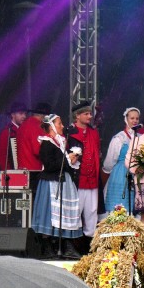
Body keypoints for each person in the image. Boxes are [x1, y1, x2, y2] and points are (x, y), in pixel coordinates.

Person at [30, 114, 83, 259]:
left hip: (63, 182)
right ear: (52, 126)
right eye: (59, 123)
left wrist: (71, 160)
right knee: (50, 215)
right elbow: (49, 165)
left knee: (64, 214)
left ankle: (66, 246)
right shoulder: (47, 143)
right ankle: (48, 248)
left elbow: (62, 163)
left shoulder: (60, 142)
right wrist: (67, 159)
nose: (62, 126)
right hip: (51, 184)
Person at [66, 101, 100, 241]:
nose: (90, 116)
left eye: (90, 113)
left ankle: (90, 242)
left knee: (92, 211)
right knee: (75, 210)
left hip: (92, 179)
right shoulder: (69, 133)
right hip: (77, 179)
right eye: (86, 114)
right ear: (77, 116)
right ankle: (73, 241)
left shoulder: (93, 133)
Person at [101, 107, 140, 218]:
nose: (135, 121)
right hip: (121, 173)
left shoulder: (141, 137)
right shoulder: (119, 138)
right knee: (120, 203)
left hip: (137, 172)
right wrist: (107, 171)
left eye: (137, 118)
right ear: (126, 119)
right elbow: (109, 161)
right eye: (132, 118)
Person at [16, 102, 52, 193]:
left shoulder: (23, 125)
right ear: (44, 116)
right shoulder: (37, 126)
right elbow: (38, 150)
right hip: (34, 169)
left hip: (22, 169)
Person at [0, 102, 27, 171]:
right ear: (13, 115)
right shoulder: (7, 132)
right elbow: (2, 156)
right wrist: (9, 172)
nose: (24, 116)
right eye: (21, 113)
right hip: (13, 171)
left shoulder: (26, 130)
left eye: (25, 114)